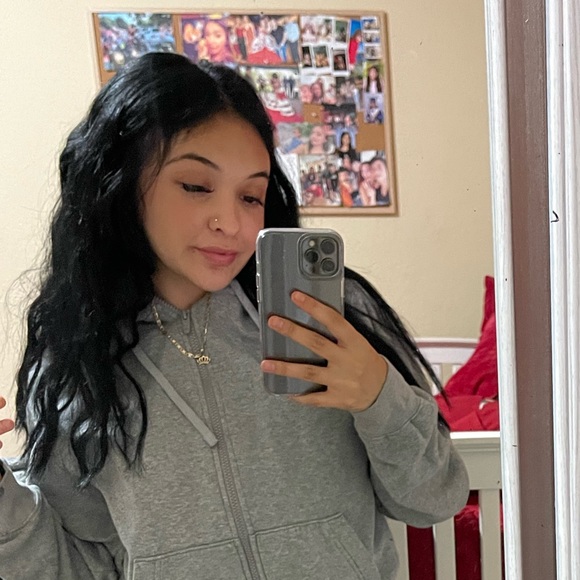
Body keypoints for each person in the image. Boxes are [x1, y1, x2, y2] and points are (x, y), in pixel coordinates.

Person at [0, 53, 467, 579]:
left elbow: (434, 499)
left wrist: (379, 395)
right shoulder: (77, 365)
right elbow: (78, 565)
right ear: (121, 183)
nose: (231, 222)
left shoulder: (331, 317)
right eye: (196, 186)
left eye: (251, 195)